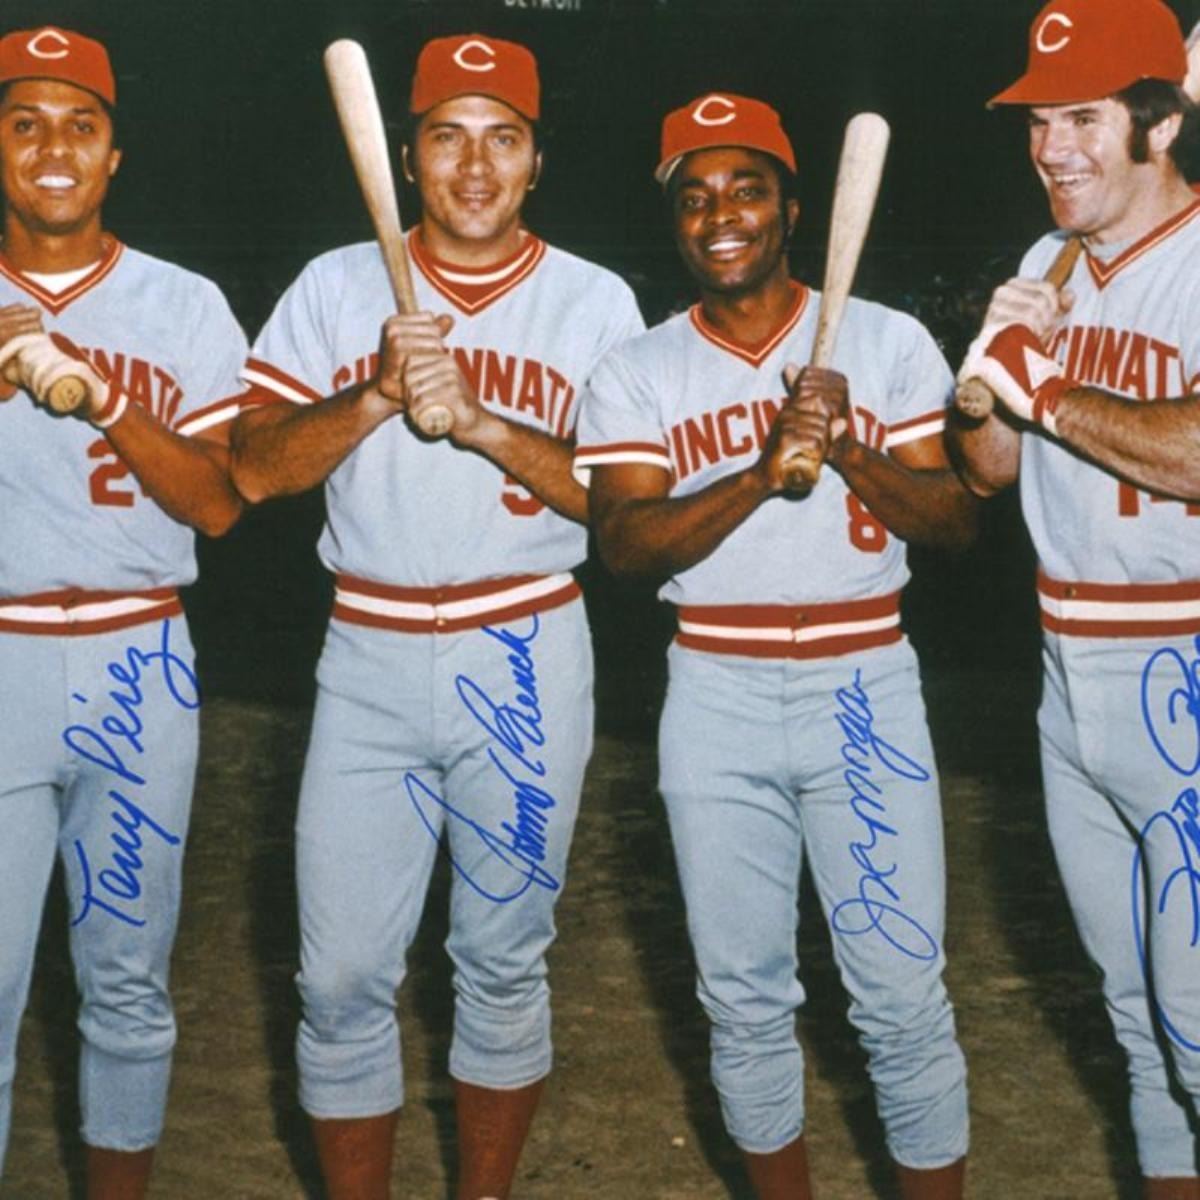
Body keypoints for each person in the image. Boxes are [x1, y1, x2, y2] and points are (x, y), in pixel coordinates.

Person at [229, 32, 643, 1200]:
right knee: (338, 977)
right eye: (447, 137)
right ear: (407, 158)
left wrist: (484, 423)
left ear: (536, 161)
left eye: (502, 139)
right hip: (366, 648)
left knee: (502, 964)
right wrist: (371, 395)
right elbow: (252, 468)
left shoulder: (595, 300)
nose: (474, 166)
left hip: (524, 647)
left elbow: (622, 511)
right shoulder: (333, 284)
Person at [575, 93, 973, 1199]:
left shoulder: (887, 342)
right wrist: (758, 473)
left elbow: (956, 523)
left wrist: (849, 450)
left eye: (746, 190)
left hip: (864, 679)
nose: (721, 218)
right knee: (743, 998)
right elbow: (625, 545)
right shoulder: (638, 368)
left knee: (901, 994)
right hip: (715, 685)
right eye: (694, 198)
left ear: (793, 209)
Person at [949, 1, 1200, 1195]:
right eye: (1039, 121)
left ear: (1160, 123)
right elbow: (988, 474)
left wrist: (1041, 387)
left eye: (1084, 120)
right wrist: (983, 386)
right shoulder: (1046, 266)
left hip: (1184, 669)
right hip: (1068, 671)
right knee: (1138, 1026)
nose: (1052, 149)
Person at [0, 24, 248, 1199]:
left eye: (80, 125)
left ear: (114, 154)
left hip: (140, 659)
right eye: (24, 123)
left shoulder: (184, 304)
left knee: (128, 983)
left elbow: (220, 503)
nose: (54, 149)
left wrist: (102, 398)